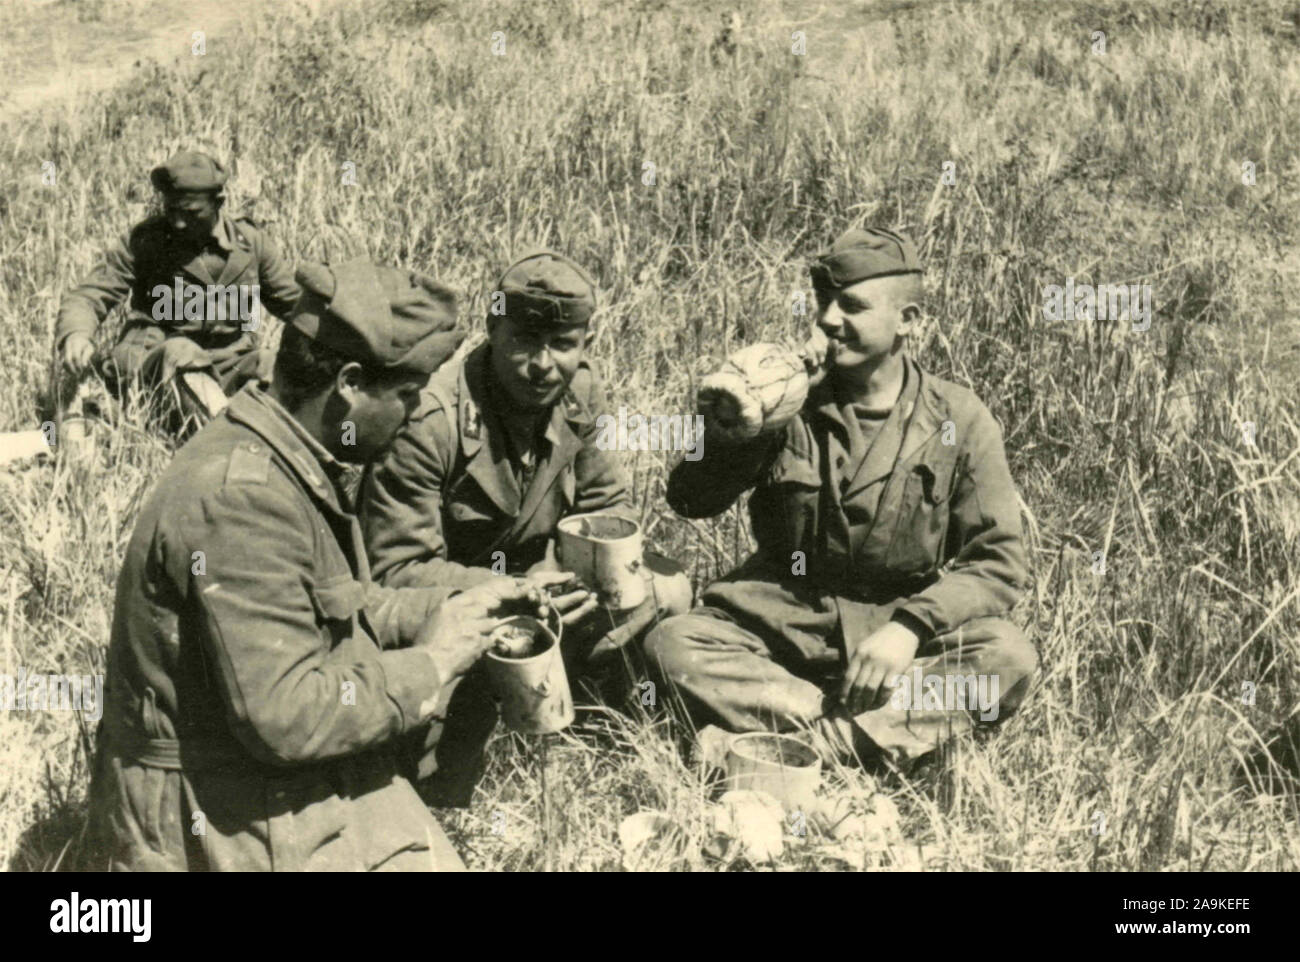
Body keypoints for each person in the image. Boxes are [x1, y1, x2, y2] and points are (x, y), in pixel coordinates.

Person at [86, 258, 546, 871]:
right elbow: (283, 717)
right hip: (205, 810)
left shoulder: (279, 449)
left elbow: (330, 605)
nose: (414, 414)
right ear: (350, 383)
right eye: (406, 395)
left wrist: (451, 607)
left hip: (250, 773)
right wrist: (430, 666)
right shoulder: (243, 500)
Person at [645, 227, 1037, 766]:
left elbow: (998, 562)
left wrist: (911, 628)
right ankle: (867, 738)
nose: (828, 319)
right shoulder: (788, 399)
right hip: (782, 616)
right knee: (673, 645)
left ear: (908, 321)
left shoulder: (958, 418)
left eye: (851, 305)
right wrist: (738, 427)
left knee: (1005, 656)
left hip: (896, 626)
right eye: (824, 302)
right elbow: (690, 500)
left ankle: (801, 748)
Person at [360, 250, 691, 805]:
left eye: (562, 345)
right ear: (492, 330)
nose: (543, 365)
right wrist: (515, 594)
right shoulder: (430, 419)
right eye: (523, 341)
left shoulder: (579, 390)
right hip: (462, 608)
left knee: (666, 586)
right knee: (427, 781)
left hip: (550, 589)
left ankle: (594, 710)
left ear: (584, 343)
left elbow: (608, 505)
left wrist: (568, 571)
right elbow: (397, 570)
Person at [55, 150, 300, 425]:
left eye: (191, 212)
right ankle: (221, 437)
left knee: (270, 364)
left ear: (219, 203)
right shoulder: (147, 242)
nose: (178, 222)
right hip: (158, 369)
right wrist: (76, 334)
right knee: (182, 351)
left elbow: (296, 307)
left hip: (227, 365)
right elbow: (89, 295)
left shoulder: (252, 244)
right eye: (171, 210)